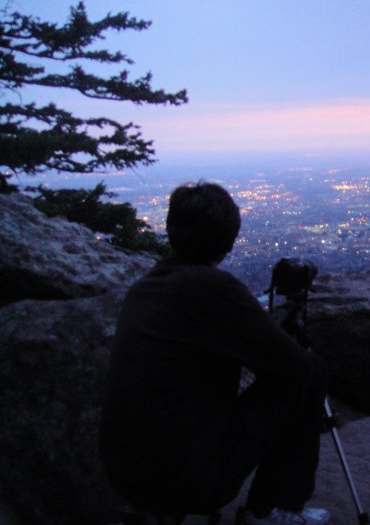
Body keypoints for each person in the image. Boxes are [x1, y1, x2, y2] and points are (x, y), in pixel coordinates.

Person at [99, 182, 331, 525]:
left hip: (122, 473)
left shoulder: (145, 287)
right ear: (228, 240)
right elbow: (294, 366)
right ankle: (269, 510)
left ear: (171, 228)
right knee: (310, 371)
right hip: (183, 481)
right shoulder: (212, 288)